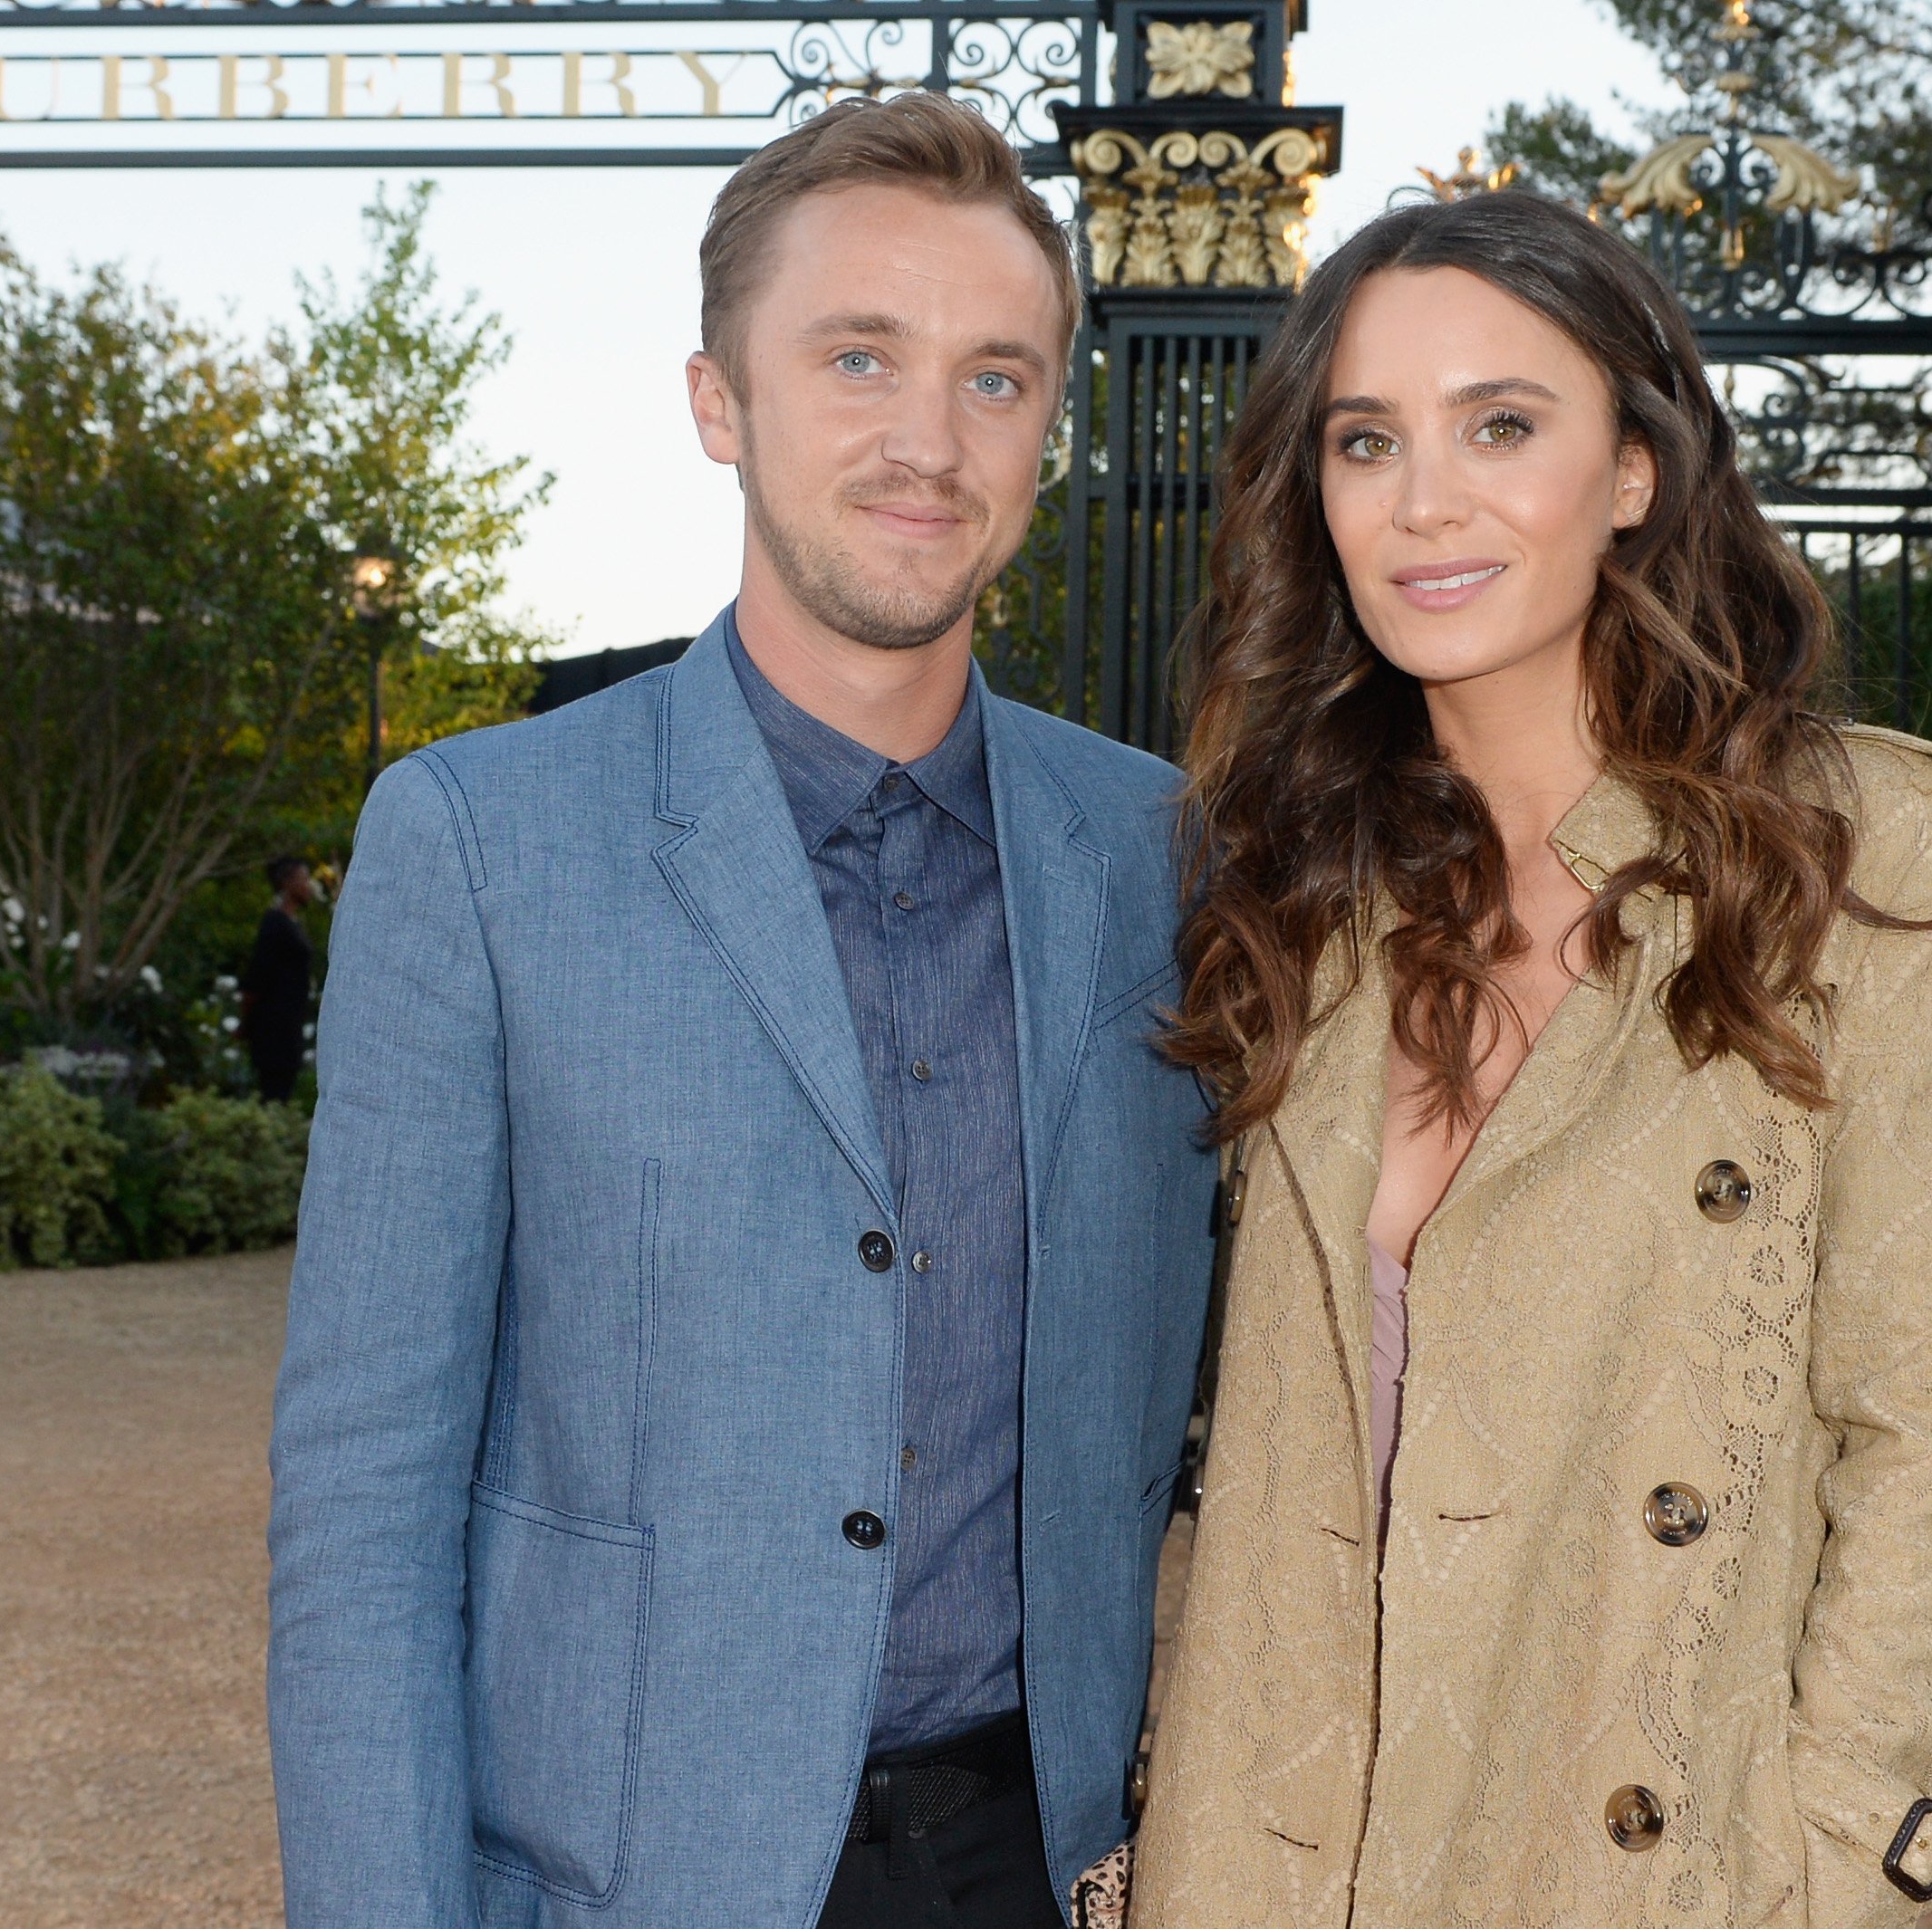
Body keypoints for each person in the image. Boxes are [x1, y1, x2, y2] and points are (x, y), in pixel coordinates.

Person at [266, 95, 1216, 1929]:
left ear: (1047, 429)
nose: (926, 440)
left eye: (995, 377)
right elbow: (363, 1510)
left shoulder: (1160, 854)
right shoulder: (479, 843)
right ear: (720, 402)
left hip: (1048, 1868)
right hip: (620, 1881)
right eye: (857, 357)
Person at [1132, 191, 1932, 1925]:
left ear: (1632, 468)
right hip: (1269, 1860)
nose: (1425, 503)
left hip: (1642, 1867)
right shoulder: (1287, 885)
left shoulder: (1862, 869)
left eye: (1500, 425)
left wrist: (1829, 1851)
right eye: (1365, 442)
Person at [240, 855, 318, 1103]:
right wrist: (246, 1020)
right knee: (274, 1091)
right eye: (303, 879)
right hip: (274, 1024)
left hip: (290, 1021)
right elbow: (258, 973)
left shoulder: (292, 924)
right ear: (287, 883)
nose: (309, 886)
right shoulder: (275, 923)